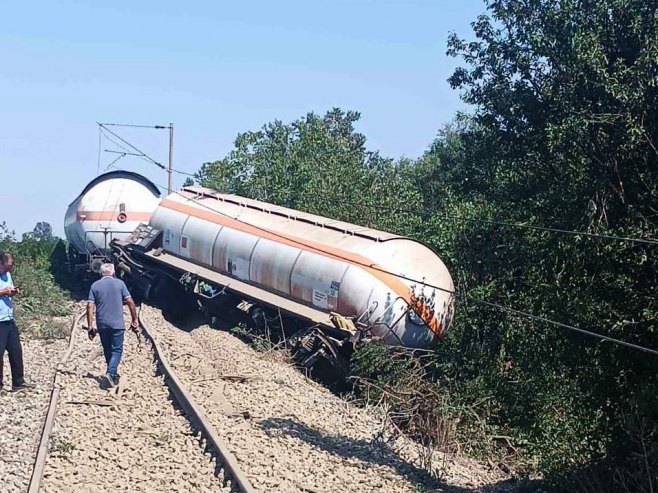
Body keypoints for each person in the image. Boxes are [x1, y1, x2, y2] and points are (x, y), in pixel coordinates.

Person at [86, 263, 139, 387]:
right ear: (114, 272)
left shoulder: (95, 286)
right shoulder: (120, 284)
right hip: (117, 323)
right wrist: (134, 319)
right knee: (117, 349)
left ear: (100, 273)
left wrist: (90, 326)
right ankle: (111, 372)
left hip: (102, 323)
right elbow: (130, 302)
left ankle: (113, 374)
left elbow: (89, 306)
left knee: (107, 349)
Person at [0, 252, 36, 393]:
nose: (11, 268)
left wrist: (13, 291)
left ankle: (18, 382)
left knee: (16, 351)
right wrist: (3, 292)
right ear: (1, 263)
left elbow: (8, 289)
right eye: (8, 266)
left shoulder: (7, 275)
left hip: (8, 318)